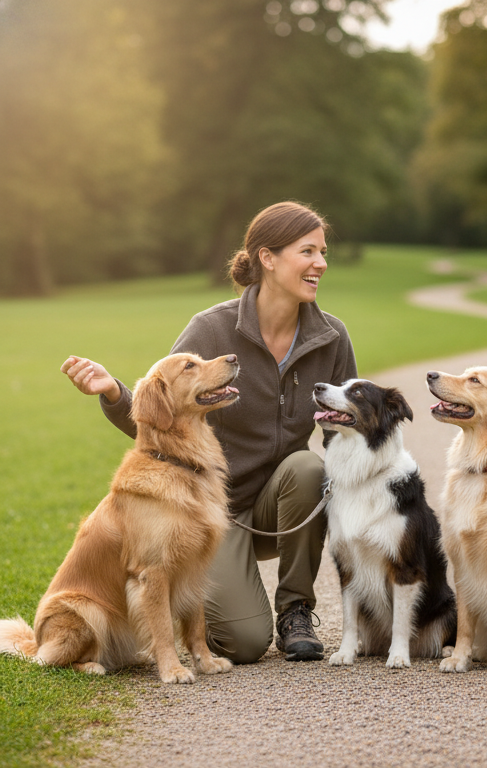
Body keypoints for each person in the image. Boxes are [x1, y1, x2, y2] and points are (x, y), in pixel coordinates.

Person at [61, 201, 358, 662]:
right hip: (210, 516)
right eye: (308, 251)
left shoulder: (332, 337)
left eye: (322, 252)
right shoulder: (211, 330)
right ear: (268, 258)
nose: (321, 263)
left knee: (307, 467)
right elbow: (159, 415)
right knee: (244, 644)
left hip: (279, 507)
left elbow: (348, 434)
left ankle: (296, 608)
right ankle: (204, 626)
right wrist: (115, 393)